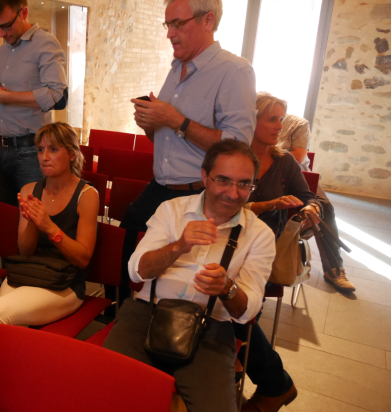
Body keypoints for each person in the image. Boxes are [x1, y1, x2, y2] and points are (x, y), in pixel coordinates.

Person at [104, 140, 275, 412]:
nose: (233, 193)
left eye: (244, 184)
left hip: (211, 329)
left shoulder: (260, 235)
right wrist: (179, 246)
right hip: (146, 313)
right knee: (104, 394)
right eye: (223, 180)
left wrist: (226, 288)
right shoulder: (171, 210)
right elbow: (136, 270)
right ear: (205, 176)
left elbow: (247, 312)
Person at [108, 0, 257, 312]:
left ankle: (168, 324)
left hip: (198, 194)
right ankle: (121, 313)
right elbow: (166, 139)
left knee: (182, 277)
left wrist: (176, 120)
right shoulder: (176, 68)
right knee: (125, 241)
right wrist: (151, 124)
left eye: (177, 24)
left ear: (207, 21)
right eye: (168, 25)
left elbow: (238, 147)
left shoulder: (234, 71)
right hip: (161, 186)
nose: (169, 33)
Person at [0, 122, 98, 412]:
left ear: (72, 154)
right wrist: (31, 221)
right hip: (28, 273)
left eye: (53, 149)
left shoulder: (87, 195)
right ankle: (7, 398)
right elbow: (25, 250)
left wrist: (49, 227)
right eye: (40, 150)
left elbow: (83, 258)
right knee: (5, 332)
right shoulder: (30, 189)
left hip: (64, 285)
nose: (44, 157)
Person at [237, 92, 327, 412]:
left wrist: (311, 208)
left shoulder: (284, 162)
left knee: (240, 311)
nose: (279, 126)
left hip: (265, 248)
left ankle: (264, 379)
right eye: (271, 119)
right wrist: (267, 205)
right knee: (235, 314)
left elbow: (308, 196)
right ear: (252, 121)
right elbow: (220, 203)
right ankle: (271, 381)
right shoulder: (233, 156)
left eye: (281, 119)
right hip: (228, 240)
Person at [0, 0, 68, 207]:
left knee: (32, 217)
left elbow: (58, 96)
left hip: (30, 150)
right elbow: (11, 94)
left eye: (6, 26)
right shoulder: (4, 49)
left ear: (24, 12)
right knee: (3, 217)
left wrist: (4, 97)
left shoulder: (45, 43)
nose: (1, 34)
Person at [272, 104, 355, 292]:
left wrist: (266, 153)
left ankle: (334, 268)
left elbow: (298, 157)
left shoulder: (297, 124)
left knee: (323, 206)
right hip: (266, 174)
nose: (277, 124)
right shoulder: (249, 118)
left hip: (296, 175)